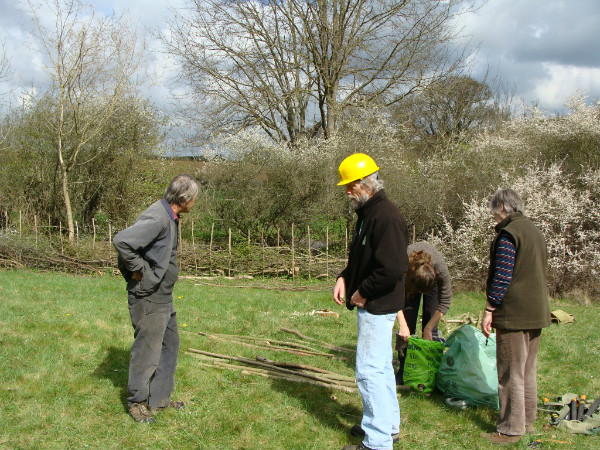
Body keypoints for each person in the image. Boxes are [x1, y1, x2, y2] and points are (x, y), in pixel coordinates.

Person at [333, 153, 408, 450]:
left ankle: (377, 442)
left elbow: (392, 269)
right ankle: (387, 428)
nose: (347, 192)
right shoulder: (369, 213)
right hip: (376, 302)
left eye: (350, 186)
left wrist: (362, 292)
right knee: (381, 368)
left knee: (368, 371)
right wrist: (344, 277)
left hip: (377, 303)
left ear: (366, 183)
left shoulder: (386, 217)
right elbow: (363, 259)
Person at [113, 174, 199, 423]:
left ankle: (159, 398)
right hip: (149, 296)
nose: (194, 202)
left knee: (169, 346)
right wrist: (141, 271)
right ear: (184, 199)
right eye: (193, 198)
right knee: (147, 352)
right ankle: (137, 403)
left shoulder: (170, 216)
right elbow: (122, 241)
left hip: (164, 296)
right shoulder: (158, 216)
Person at [480, 188, 551, 445]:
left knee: (510, 372)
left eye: (493, 211)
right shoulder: (534, 230)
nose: (493, 217)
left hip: (515, 313)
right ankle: (527, 421)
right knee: (527, 369)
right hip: (537, 310)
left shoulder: (509, 233)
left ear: (501, 207)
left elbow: (502, 276)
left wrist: (489, 309)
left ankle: (510, 429)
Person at [395, 241, 452, 385]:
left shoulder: (440, 270)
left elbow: (445, 301)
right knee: (408, 320)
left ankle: (428, 370)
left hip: (428, 278)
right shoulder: (402, 265)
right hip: (411, 278)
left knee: (430, 317)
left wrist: (429, 327)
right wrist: (402, 325)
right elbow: (393, 296)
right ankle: (404, 368)